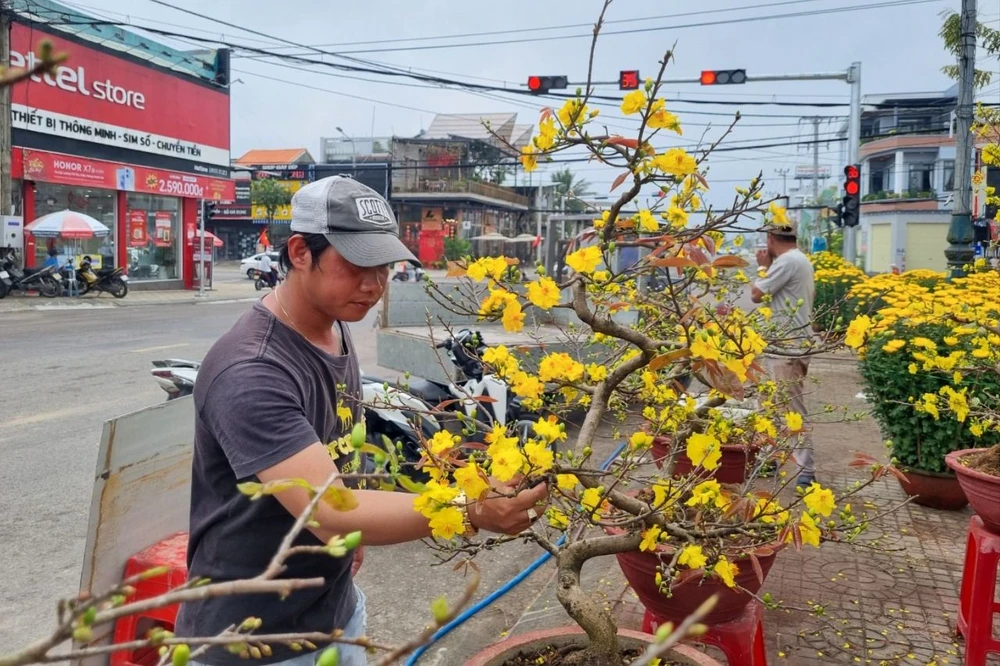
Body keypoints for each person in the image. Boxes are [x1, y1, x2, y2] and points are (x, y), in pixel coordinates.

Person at [176, 176, 548, 666]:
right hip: (253, 639)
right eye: (355, 266)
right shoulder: (253, 370)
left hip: (334, 610)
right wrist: (469, 508)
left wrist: (354, 534)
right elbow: (332, 510)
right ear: (300, 252)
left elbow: (337, 451)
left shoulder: (333, 326)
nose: (373, 285)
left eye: (383, 267)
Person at [750, 221, 816, 488]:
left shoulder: (786, 262)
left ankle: (807, 471)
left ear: (770, 239)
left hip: (787, 348)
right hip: (783, 346)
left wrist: (763, 267)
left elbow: (756, 294)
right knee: (767, 404)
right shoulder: (799, 259)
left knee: (791, 410)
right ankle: (769, 458)